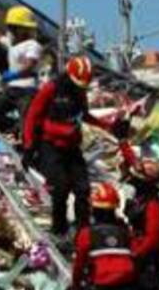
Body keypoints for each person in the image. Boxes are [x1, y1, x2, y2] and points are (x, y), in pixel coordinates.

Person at [22, 55, 115, 237]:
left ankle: (83, 231)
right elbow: (33, 116)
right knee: (60, 189)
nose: (80, 88)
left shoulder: (79, 93)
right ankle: (59, 230)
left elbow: (84, 115)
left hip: (72, 147)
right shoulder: (51, 89)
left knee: (83, 190)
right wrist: (28, 146)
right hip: (50, 146)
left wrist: (106, 125)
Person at [119, 142, 159, 290]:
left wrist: (135, 253)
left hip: (148, 256)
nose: (132, 179)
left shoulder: (152, 205)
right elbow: (133, 161)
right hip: (137, 246)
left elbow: (152, 238)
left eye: (136, 178)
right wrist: (123, 142)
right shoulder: (142, 196)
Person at [0, 6, 44, 134]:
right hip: (12, 90)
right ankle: (13, 128)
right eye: (9, 27)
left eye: (13, 27)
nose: (10, 30)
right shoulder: (12, 43)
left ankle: (21, 135)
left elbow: (30, 65)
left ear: (22, 29)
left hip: (27, 91)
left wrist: (14, 74)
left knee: (27, 124)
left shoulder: (33, 45)